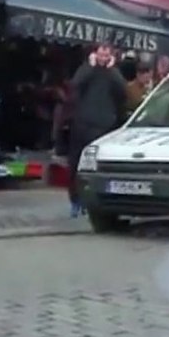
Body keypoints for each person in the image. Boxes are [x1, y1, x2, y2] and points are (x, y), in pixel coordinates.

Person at [68, 45, 127, 217]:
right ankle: (75, 201)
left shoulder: (113, 73)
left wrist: (113, 69)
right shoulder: (86, 69)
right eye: (101, 54)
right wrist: (89, 66)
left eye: (106, 55)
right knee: (76, 164)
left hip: (103, 127)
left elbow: (123, 90)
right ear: (95, 54)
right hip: (82, 124)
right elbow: (76, 83)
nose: (103, 58)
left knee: (97, 166)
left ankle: (93, 201)